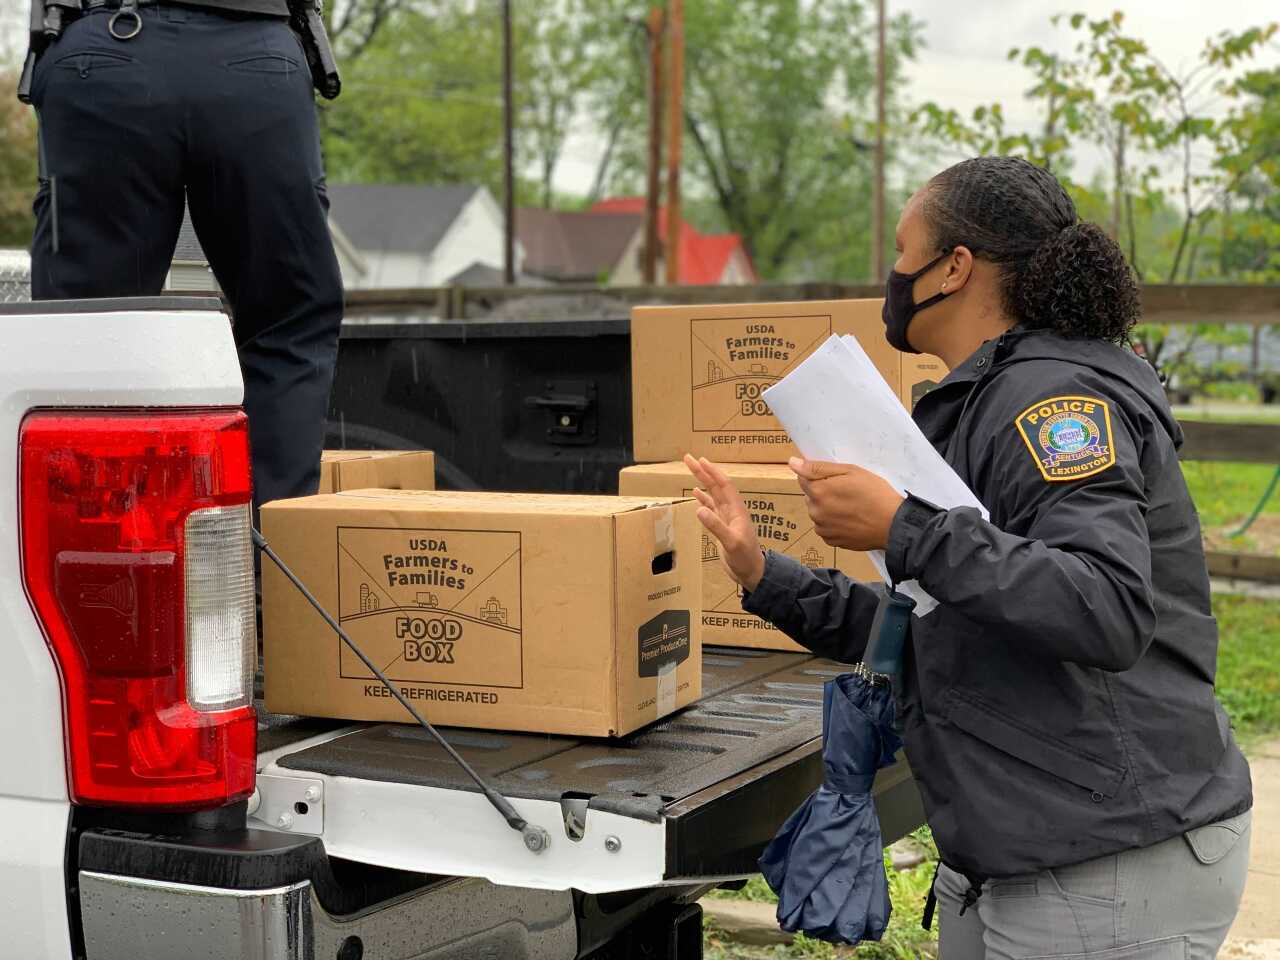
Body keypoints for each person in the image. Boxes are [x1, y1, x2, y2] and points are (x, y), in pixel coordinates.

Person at [688, 156, 1252, 960]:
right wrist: (760, 571)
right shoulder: (980, 399)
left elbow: (1107, 605)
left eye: (902, 249)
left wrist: (904, 526)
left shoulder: (1053, 403)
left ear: (953, 268)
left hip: (1109, 853)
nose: (891, 275)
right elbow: (937, 623)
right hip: (1020, 844)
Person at [22, 0, 343, 512]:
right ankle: (266, 547)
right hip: (256, 56)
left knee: (84, 331)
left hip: (105, 53)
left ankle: (92, 542)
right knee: (287, 323)